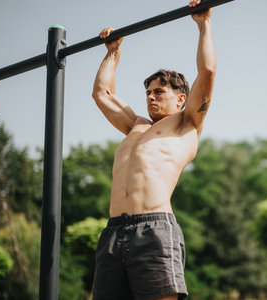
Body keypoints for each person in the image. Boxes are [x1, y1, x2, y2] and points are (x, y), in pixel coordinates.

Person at [90, 0, 215, 299]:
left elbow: (207, 70)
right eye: (148, 92)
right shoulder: (135, 125)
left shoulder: (187, 124)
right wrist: (113, 52)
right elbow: (101, 93)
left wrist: (203, 23)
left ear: (181, 98)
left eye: (159, 92)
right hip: (112, 231)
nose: (150, 97)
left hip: (153, 229)